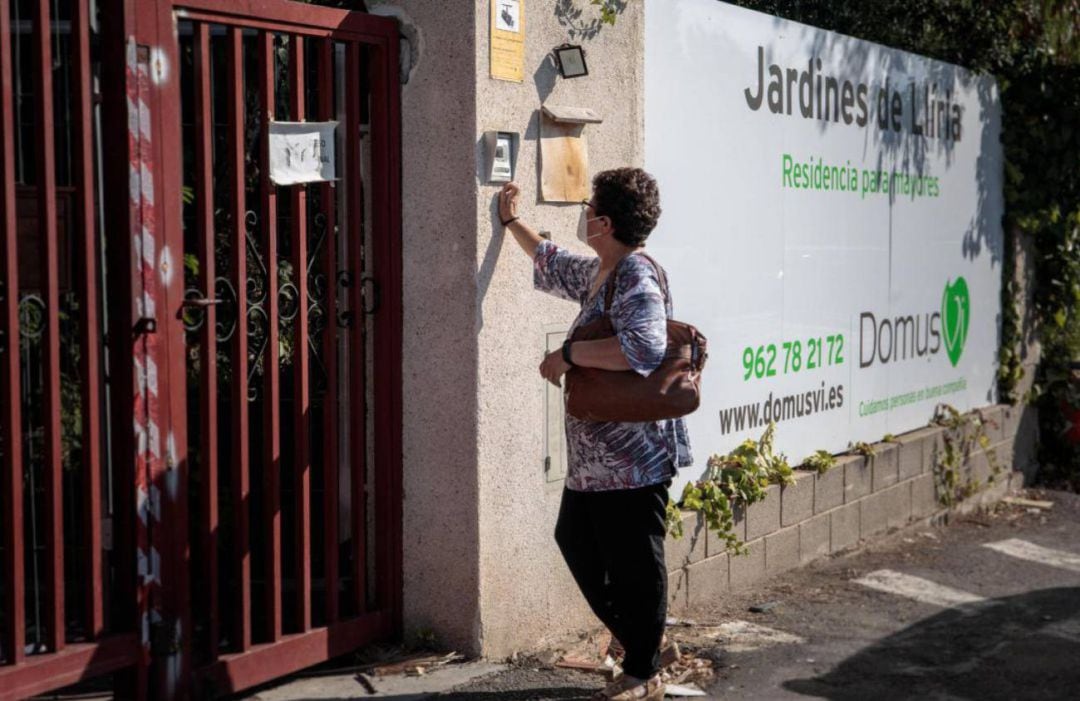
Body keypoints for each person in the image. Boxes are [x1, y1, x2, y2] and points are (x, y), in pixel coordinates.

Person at [498, 168, 693, 701]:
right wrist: (512, 221)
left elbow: (643, 349)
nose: (582, 212)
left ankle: (641, 667)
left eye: (588, 207)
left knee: (634, 562)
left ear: (603, 222)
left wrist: (567, 355)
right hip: (595, 462)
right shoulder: (603, 272)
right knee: (577, 542)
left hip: (633, 458)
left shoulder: (635, 276)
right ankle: (645, 643)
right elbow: (552, 261)